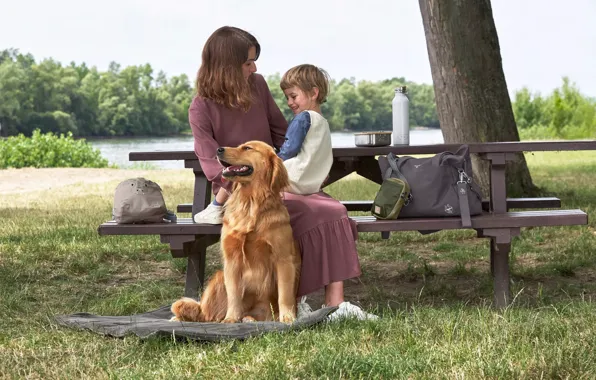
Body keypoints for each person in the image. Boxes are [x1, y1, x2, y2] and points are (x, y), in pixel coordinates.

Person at [188, 26, 378, 321]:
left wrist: (302, 160)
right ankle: (295, 301)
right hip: (240, 194)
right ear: (227, 66)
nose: (255, 67)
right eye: (248, 62)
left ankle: (335, 305)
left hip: (278, 181)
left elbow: (281, 135)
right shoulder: (200, 107)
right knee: (317, 212)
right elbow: (213, 164)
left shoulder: (258, 86)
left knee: (333, 209)